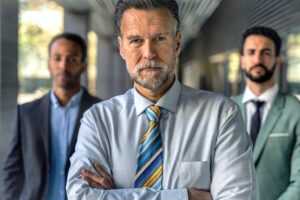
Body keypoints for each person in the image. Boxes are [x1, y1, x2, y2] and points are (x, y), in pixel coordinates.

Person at [67, 0, 258, 199]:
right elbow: (80, 196)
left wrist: (117, 195)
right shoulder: (99, 120)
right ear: (122, 47)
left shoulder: (221, 116)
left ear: (176, 43)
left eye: (159, 38)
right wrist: (186, 196)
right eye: (136, 40)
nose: (149, 53)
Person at [2, 33, 100, 200]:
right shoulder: (26, 113)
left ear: (83, 65)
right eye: (57, 58)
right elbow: (13, 169)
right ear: (49, 63)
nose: (63, 65)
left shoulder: (100, 111)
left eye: (72, 59)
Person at [233, 26, 300, 200]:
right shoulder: (224, 109)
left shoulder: (296, 110)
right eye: (251, 52)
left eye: (266, 53)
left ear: (277, 60)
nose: (258, 59)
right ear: (242, 60)